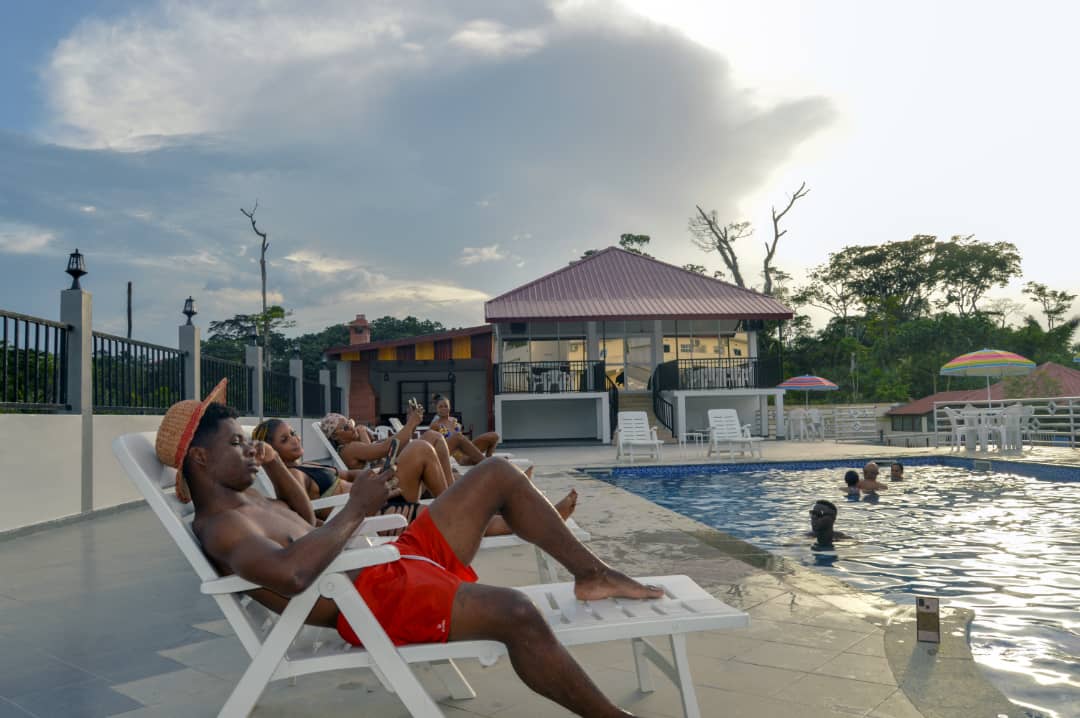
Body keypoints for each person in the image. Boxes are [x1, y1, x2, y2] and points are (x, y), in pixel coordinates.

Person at [156, 384, 660, 718]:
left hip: (386, 562)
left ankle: (593, 574)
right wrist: (357, 509)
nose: (249, 449)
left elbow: (305, 523)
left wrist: (273, 466)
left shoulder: (245, 499)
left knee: (497, 473)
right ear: (200, 457)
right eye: (237, 444)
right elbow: (291, 575)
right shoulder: (223, 528)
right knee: (517, 612)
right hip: (373, 600)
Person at [252, 418, 447, 525]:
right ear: (272, 450)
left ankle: (451, 502)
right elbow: (301, 514)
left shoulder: (309, 466)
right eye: (285, 440)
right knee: (421, 447)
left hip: (382, 492)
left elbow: (350, 475)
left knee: (428, 440)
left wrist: (379, 474)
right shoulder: (295, 476)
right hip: (376, 513)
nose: (294, 439)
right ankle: (451, 505)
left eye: (293, 433)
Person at [429, 395, 501, 466]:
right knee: (457, 436)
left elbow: (463, 438)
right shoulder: (435, 425)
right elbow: (431, 447)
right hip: (461, 457)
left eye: (446, 406)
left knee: (494, 436)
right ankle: (487, 462)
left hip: (468, 449)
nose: (443, 409)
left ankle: (488, 458)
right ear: (436, 409)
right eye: (440, 407)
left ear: (449, 407)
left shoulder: (454, 420)